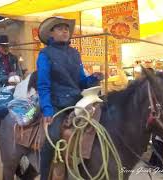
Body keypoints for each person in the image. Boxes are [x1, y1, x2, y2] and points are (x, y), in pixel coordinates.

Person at [36, 17, 103, 180]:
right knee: (51, 138)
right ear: (51, 33)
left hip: (78, 101)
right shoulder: (45, 55)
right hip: (57, 103)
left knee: (103, 125)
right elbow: (43, 85)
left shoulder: (74, 54)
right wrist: (47, 110)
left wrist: (93, 78)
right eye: (59, 28)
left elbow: (80, 81)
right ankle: (44, 176)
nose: (65, 31)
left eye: (66, 28)